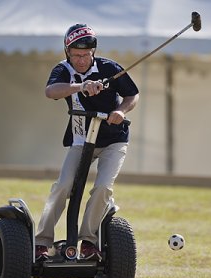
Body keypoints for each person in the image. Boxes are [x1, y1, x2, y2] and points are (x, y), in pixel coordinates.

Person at [35, 24, 139, 261]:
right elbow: (51, 92)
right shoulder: (63, 70)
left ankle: (89, 242)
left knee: (103, 188)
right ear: (67, 52)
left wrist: (121, 111)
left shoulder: (108, 67)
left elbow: (132, 94)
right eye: (76, 55)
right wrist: (81, 86)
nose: (81, 60)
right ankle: (42, 242)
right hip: (82, 138)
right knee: (63, 186)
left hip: (114, 139)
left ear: (93, 51)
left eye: (86, 55)